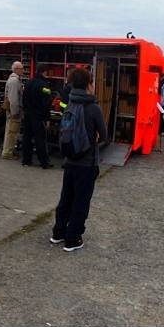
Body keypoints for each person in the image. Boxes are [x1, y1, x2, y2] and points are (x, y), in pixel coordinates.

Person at [50, 67, 107, 252]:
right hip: (87, 162)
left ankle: (58, 233)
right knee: (81, 201)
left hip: (69, 160)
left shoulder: (70, 103)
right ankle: (73, 238)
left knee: (66, 198)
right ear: (88, 85)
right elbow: (105, 135)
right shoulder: (93, 108)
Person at [21, 63, 53, 169]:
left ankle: (26, 160)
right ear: (44, 72)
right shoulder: (44, 85)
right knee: (40, 139)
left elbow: (24, 99)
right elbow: (46, 104)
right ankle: (44, 162)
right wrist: (47, 119)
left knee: (27, 138)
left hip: (27, 115)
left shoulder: (28, 83)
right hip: (38, 117)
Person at [1, 61, 24, 160]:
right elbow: (13, 99)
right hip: (14, 111)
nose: (23, 70)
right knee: (12, 132)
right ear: (16, 69)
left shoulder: (14, 80)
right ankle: (7, 153)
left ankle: (8, 151)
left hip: (11, 111)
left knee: (10, 131)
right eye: (21, 68)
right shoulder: (15, 81)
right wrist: (15, 113)